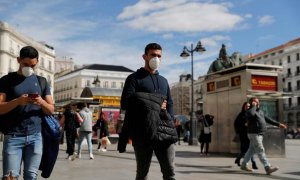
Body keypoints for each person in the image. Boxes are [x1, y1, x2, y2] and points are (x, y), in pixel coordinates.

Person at [118, 43, 176, 180]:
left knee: (170, 172)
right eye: (153, 55)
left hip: (163, 131)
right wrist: (154, 103)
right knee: (142, 173)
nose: (156, 58)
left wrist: (170, 121)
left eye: (159, 56)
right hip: (142, 132)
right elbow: (125, 103)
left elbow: (170, 104)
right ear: (144, 56)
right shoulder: (134, 79)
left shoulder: (163, 81)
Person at [0, 46, 54, 180]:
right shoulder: (6, 80)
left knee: (31, 176)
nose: (30, 68)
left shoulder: (42, 81)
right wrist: (18, 101)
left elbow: (51, 109)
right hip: (13, 136)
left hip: (35, 136)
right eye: (26, 64)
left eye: (33, 65)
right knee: (10, 177)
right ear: (18, 60)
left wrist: (41, 102)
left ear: (37, 63)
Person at [240, 97, 287, 175]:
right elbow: (251, 114)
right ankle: (267, 167)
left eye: (258, 102)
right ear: (252, 103)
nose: (257, 103)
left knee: (251, 150)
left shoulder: (260, 112)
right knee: (260, 150)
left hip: (259, 134)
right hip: (254, 134)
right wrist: (253, 106)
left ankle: (244, 165)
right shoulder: (249, 111)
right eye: (255, 102)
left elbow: (268, 119)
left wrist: (278, 124)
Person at [234, 102, 258, 169]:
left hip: (251, 133)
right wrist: (243, 125)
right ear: (243, 107)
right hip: (243, 134)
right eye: (246, 106)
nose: (247, 107)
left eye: (249, 106)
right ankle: (238, 159)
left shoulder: (251, 114)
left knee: (251, 148)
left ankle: (253, 163)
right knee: (244, 150)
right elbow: (236, 123)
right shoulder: (241, 114)